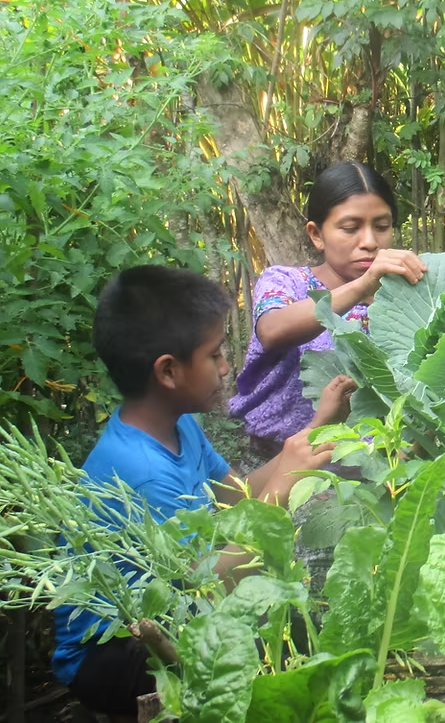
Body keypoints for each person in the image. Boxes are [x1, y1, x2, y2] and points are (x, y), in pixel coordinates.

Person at [53, 265, 351, 719]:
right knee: (277, 643)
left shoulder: (177, 426)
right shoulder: (142, 471)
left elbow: (235, 495)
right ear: (168, 371)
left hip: (172, 607)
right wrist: (283, 487)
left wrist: (313, 430)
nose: (226, 366)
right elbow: (207, 584)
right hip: (115, 652)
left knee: (293, 628)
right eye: (214, 355)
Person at [229, 162, 426, 468]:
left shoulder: (411, 295)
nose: (370, 242)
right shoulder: (286, 282)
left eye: (382, 226)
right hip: (280, 469)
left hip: (384, 471)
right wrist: (362, 286)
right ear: (316, 234)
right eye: (350, 228)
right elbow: (271, 330)